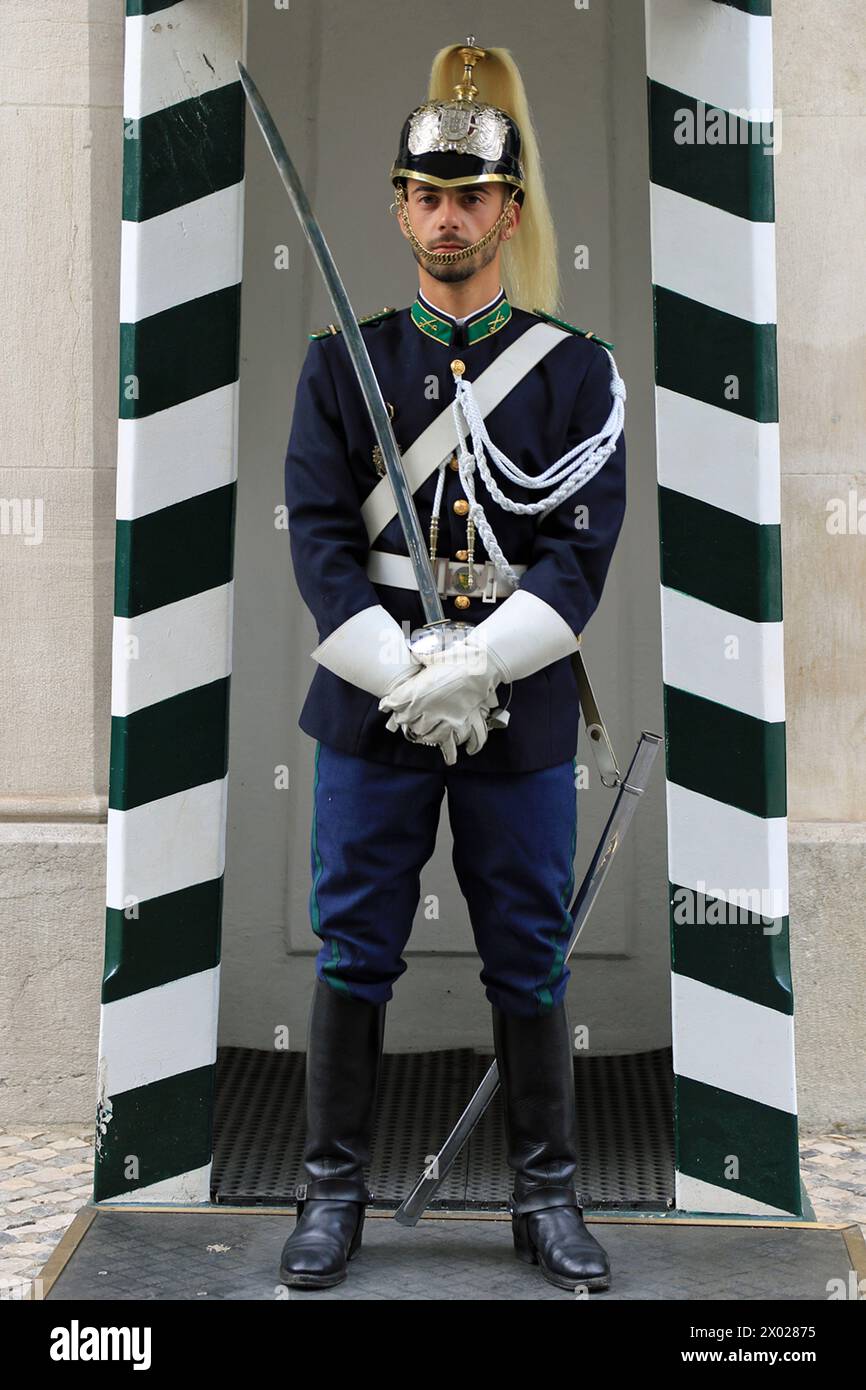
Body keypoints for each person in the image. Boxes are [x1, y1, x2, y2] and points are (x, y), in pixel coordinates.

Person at [279, 38, 626, 1294]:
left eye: (469, 196)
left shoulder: (574, 372)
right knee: (352, 948)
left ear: (508, 209)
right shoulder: (342, 364)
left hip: (514, 705)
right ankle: (329, 1199)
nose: (444, 218)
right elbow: (320, 556)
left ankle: (547, 1200)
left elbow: (576, 564)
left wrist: (473, 665)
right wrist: (406, 676)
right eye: (423, 194)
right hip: (374, 704)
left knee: (528, 952)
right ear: (396, 205)